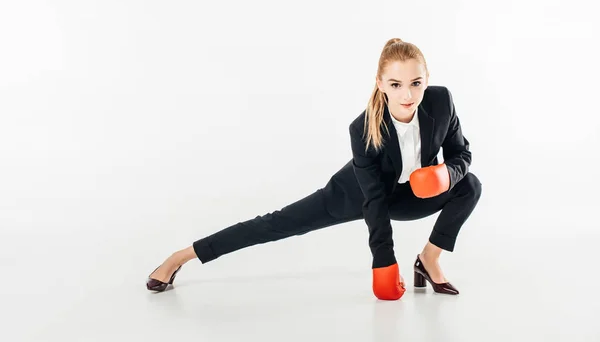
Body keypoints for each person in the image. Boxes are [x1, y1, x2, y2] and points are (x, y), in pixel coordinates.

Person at [146, 38, 482, 300]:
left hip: (415, 193)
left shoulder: (441, 101)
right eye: (396, 84)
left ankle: (429, 259)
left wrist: (444, 175)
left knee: (470, 185)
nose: (408, 94)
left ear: (427, 80)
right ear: (380, 83)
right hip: (359, 194)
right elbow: (375, 202)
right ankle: (180, 257)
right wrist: (383, 261)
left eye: (416, 83)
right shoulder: (363, 129)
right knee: (275, 224)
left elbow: (461, 154)